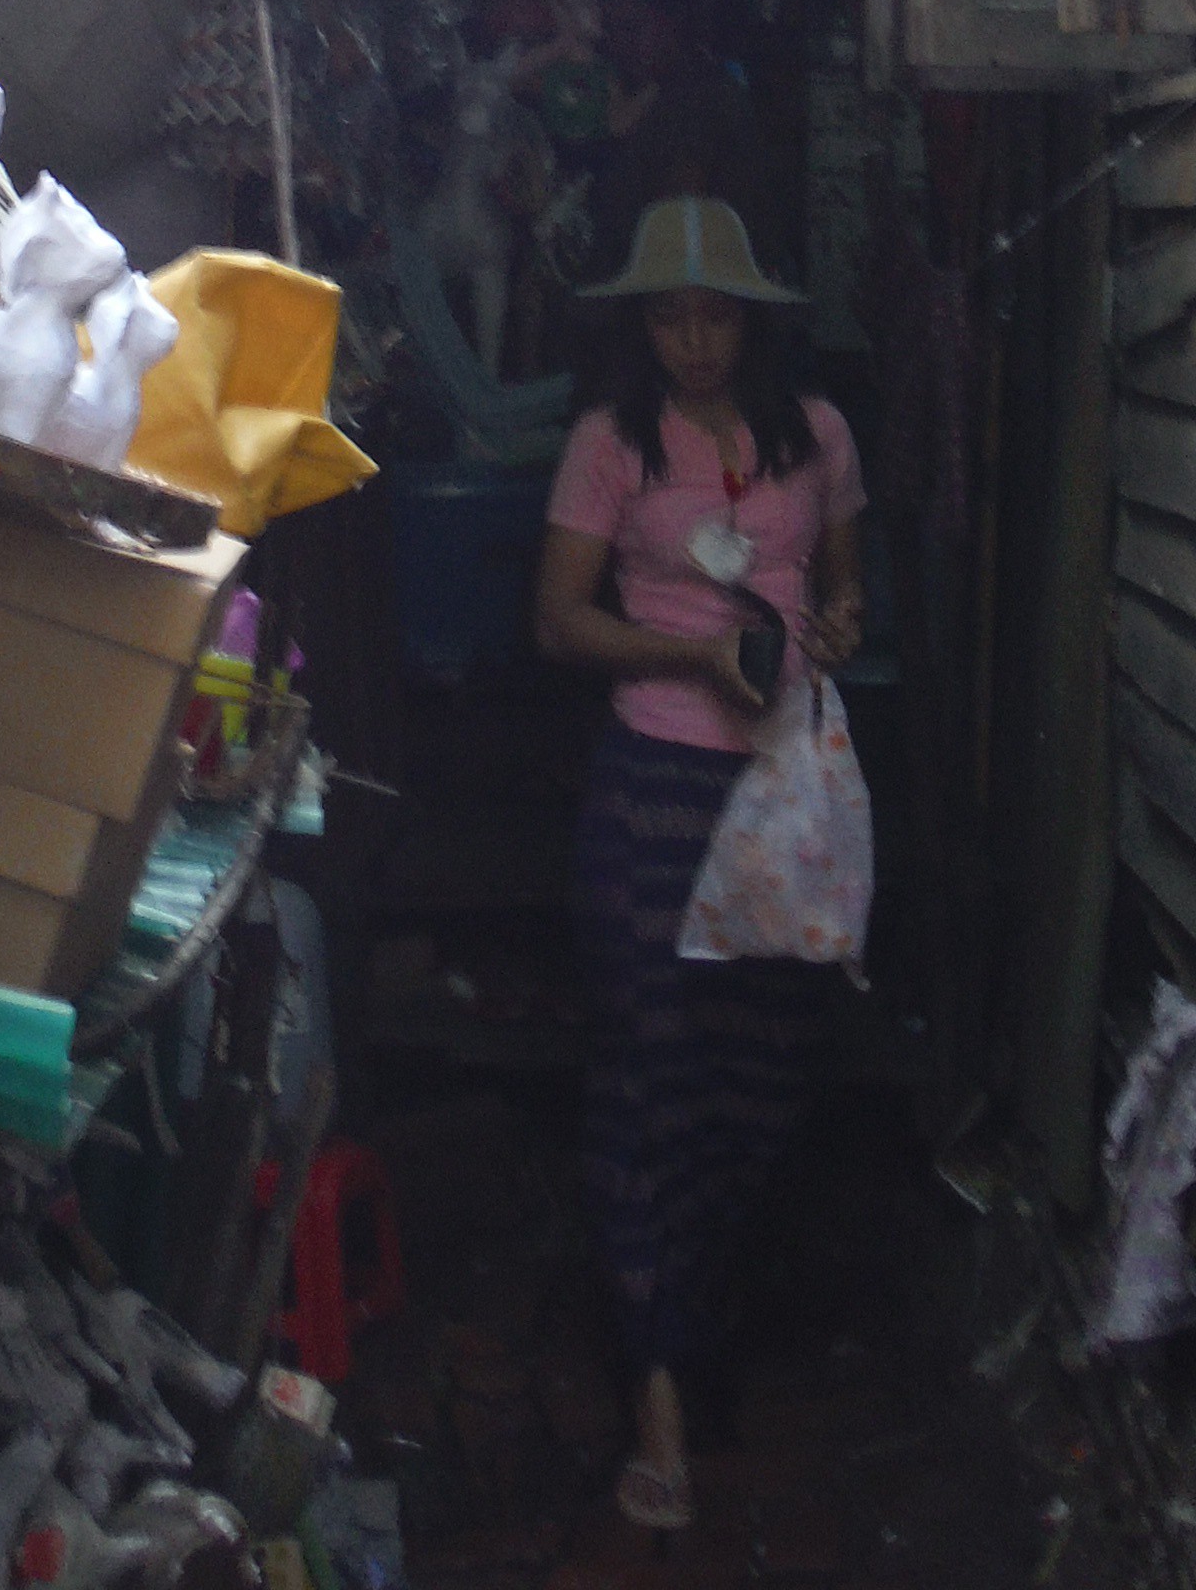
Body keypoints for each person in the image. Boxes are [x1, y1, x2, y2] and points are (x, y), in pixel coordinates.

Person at [535, 196, 865, 1533]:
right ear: (642, 329)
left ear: (752, 321)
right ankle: (659, 1396)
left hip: (785, 793)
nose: (694, 341)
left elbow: (846, 585)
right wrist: (692, 655)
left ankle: (693, 1329)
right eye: (669, 319)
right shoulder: (611, 444)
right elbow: (559, 622)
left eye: (714, 315)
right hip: (655, 793)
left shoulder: (818, 435)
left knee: (760, 1081)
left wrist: (835, 624)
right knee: (651, 1084)